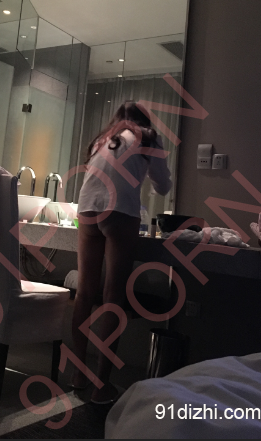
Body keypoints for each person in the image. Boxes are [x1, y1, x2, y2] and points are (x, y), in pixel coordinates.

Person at [71, 101, 172, 404]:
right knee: (113, 297)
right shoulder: (148, 136)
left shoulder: (102, 139)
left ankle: (78, 375)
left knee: (85, 293)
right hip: (120, 211)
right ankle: (101, 386)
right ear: (144, 120)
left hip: (87, 208)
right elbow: (164, 186)